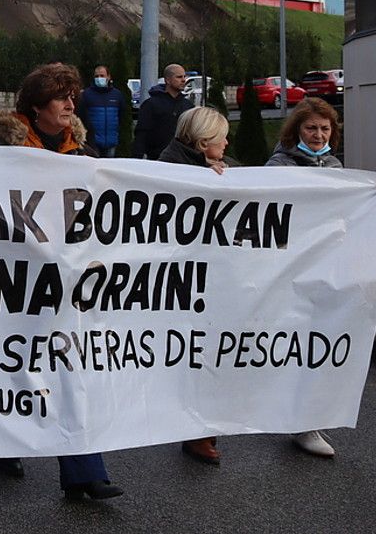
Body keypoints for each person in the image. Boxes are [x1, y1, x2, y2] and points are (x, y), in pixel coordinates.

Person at [0, 63, 124, 501]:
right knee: (16, 362)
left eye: (72, 97)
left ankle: (86, 469)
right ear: (35, 106)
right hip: (13, 279)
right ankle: (4, 440)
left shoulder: (83, 156)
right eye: (60, 97)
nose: (70, 105)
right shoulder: (3, 154)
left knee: (70, 366)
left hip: (67, 280)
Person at [265, 97, 376, 459]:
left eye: (324, 129)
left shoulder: (335, 166)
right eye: (310, 128)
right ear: (296, 131)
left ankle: (307, 422)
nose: (318, 135)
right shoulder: (278, 166)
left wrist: (373, 191)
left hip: (325, 268)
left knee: (315, 341)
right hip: (287, 269)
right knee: (283, 341)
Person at [158, 107, 233, 465]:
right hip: (178, 283)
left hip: (213, 279)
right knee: (186, 355)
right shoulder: (167, 168)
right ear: (204, 143)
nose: (227, 143)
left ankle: (200, 431)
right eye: (221, 138)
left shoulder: (222, 168)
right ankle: (190, 429)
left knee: (207, 354)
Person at [131, 63, 192, 159]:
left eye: (184, 76)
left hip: (182, 159)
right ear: (167, 80)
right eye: (179, 77)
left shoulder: (188, 105)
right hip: (157, 159)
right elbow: (141, 133)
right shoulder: (150, 105)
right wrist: (137, 158)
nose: (183, 80)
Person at [77, 64, 124, 158]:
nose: (99, 78)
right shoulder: (87, 95)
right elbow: (82, 117)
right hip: (93, 142)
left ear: (108, 77)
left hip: (111, 141)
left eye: (102, 76)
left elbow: (121, 116)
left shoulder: (117, 95)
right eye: (96, 76)